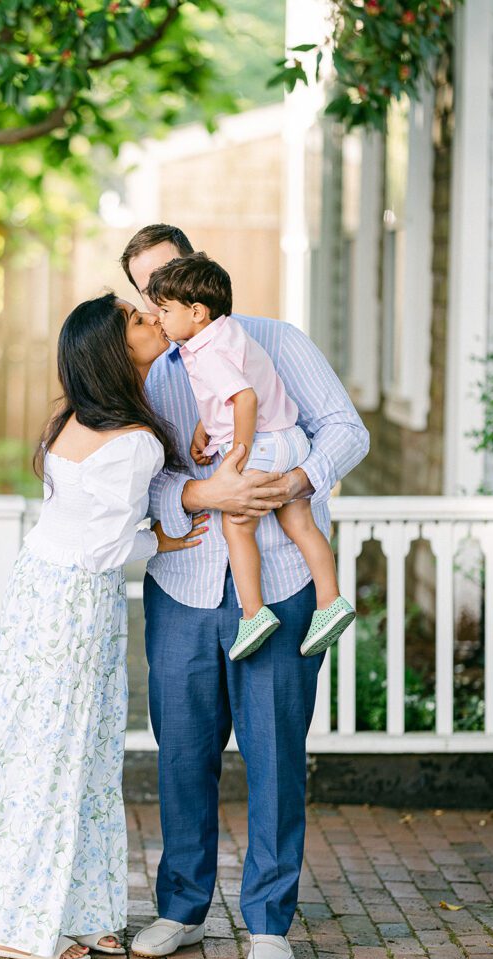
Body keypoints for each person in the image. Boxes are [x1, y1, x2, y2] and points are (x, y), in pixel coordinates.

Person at [0, 292, 208, 959]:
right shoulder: (135, 442)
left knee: (50, 752)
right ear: (113, 350)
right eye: (138, 321)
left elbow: (76, 526)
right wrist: (163, 544)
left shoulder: (70, 425)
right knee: (64, 757)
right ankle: (26, 926)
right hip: (77, 603)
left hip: (38, 589)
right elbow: (106, 550)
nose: (151, 322)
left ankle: (80, 909)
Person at [121, 224, 369, 959]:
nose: (156, 302)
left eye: (166, 279)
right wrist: (203, 491)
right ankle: (182, 908)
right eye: (143, 289)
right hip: (184, 589)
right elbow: (141, 478)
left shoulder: (274, 341)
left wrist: (294, 482)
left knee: (272, 756)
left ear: (194, 276)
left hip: (285, 581)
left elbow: (345, 431)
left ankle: (268, 920)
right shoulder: (147, 372)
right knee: (183, 757)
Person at [147, 251, 356, 662]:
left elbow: (243, 397)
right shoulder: (228, 334)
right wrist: (206, 426)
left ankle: (254, 612)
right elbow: (231, 391)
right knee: (299, 519)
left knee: (238, 527)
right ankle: (330, 600)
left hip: (259, 444)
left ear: (196, 311)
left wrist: (236, 456)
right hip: (288, 438)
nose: (159, 318)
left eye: (164, 309)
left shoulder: (204, 353)